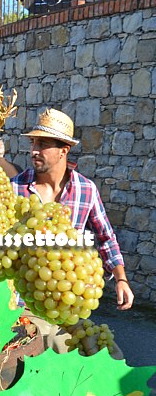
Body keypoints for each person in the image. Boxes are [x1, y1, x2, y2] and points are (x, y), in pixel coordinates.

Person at [8, 108, 133, 358]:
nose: (34, 150)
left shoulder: (86, 190)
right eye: (33, 142)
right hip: (23, 305)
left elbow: (106, 237)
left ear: (64, 150)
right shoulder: (16, 190)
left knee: (109, 356)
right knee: (46, 354)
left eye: (42, 144)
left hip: (68, 304)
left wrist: (121, 279)